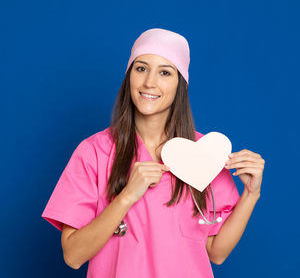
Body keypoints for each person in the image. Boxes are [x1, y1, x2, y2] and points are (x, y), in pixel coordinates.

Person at [41, 28, 265, 278]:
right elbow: (73, 256)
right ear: (129, 76)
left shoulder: (204, 155)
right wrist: (126, 197)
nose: (150, 82)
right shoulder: (94, 152)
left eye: (165, 72)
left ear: (180, 83)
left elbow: (216, 252)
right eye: (141, 68)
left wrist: (251, 194)